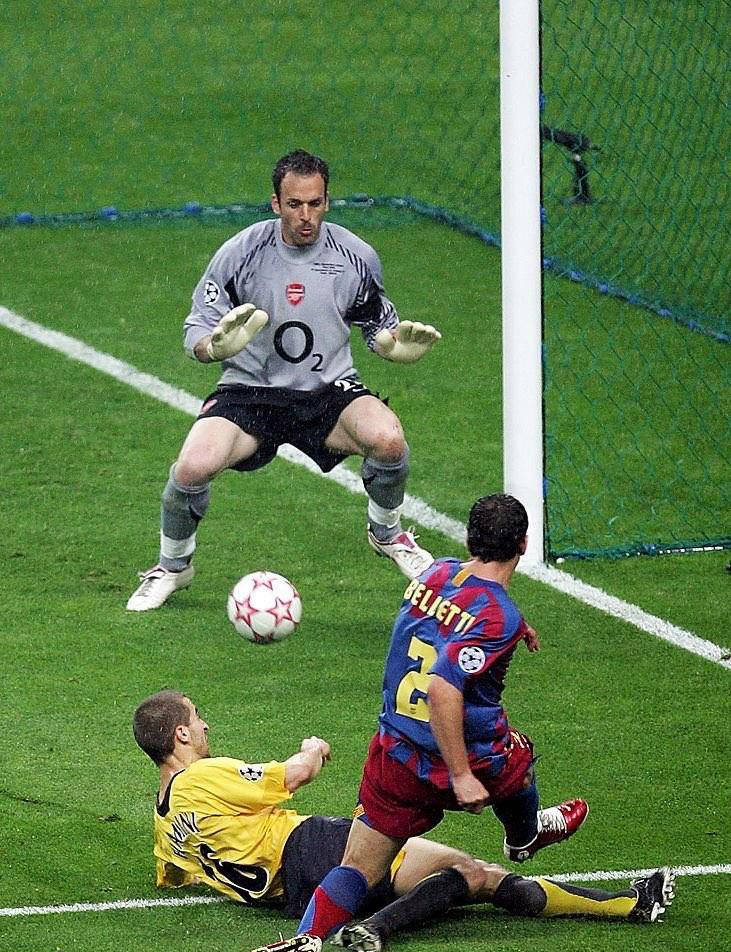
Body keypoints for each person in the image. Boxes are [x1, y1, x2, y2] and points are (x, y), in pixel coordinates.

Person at [256, 493, 609, 950]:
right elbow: (443, 688)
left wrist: (516, 626)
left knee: (359, 867)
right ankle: (524, 837)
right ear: (524, 543)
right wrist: (461, 775)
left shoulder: (434, 573)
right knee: (518, 757)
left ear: (469, 539)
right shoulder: (496, 617)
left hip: (396, 754)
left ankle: (306, 938)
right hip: (460, 759)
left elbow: (449, 616)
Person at [126, 149, 441, 612]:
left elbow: (376, 323)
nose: (305, 216)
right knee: (191, 468)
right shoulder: (241, 253)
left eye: (315, 203)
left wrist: (393, 348)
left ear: (327, 201)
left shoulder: (356, 257)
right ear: (276, 203)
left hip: (327, 392)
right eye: (294, 204)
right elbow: (197, 328)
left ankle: (387, 534)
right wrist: (214, 348)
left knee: (389, 440)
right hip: (249, 393)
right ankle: (173, 567)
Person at [132, 690, 675, 952]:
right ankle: (625, 903)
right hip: (311, 847)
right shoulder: (202, 777)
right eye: (196, 717)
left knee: (461, 881)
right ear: (181, 735)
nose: (205, 725)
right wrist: (313, 747)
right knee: (476, 873)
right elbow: (295, 775)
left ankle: (367, 925)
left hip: (292, 894)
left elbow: (175, 873)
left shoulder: (165, 824)